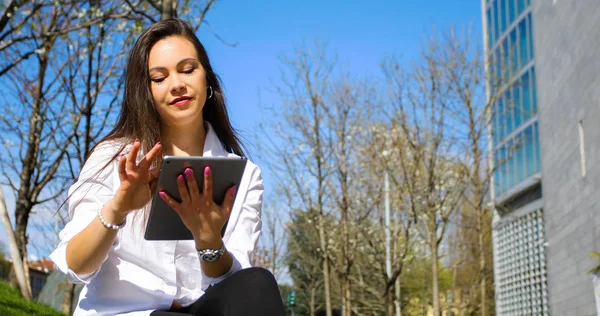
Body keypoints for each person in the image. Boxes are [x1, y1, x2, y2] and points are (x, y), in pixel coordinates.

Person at [49, 19, 285, 316]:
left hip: (201, 310)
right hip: (127, 313)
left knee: (256, 283)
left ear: (207, 79)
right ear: (145, 91)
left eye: (188, 70)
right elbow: (76, 265)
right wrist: (118, 208)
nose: (176, 85)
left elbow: (232, 283)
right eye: (159, 78)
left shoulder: (244, 174)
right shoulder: (114, 157)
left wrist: (209, 239)